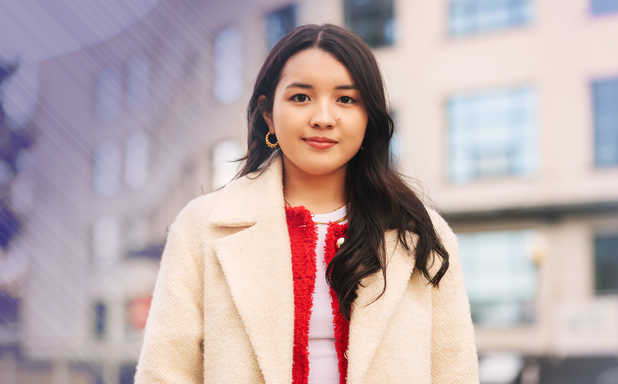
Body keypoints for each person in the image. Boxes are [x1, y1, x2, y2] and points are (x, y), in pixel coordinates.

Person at [134, 23, 479, 384]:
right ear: (268, 113)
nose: (323, 118)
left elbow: (455, 374)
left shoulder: (421, 233)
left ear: (368, 117)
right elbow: (165, 373)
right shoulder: (202, 227)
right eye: (301, 97)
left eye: (346, 99)